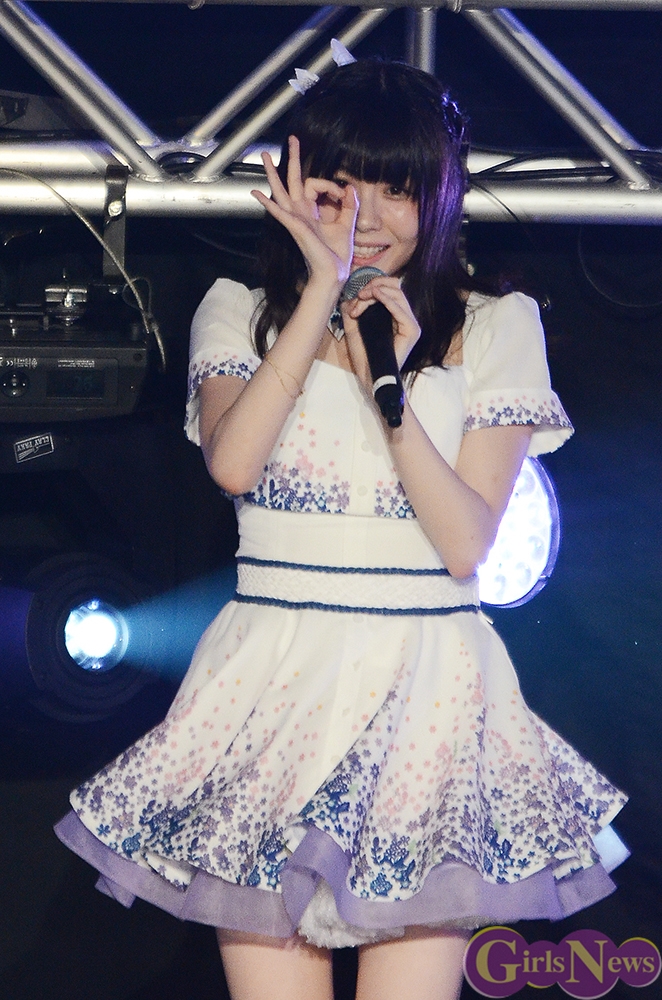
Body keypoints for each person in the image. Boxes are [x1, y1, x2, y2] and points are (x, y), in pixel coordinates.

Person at [56, 57, 628, 1000]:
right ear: (297, 185)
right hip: (270, 682)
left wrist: (388, 385)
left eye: (398, 190)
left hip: (426, 690)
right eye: (340, 188)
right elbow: (234, 464)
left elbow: (465, 545)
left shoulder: (495, 328)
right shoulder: (239, 313)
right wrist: (319, 295)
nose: (367, 215)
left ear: (439, 199)